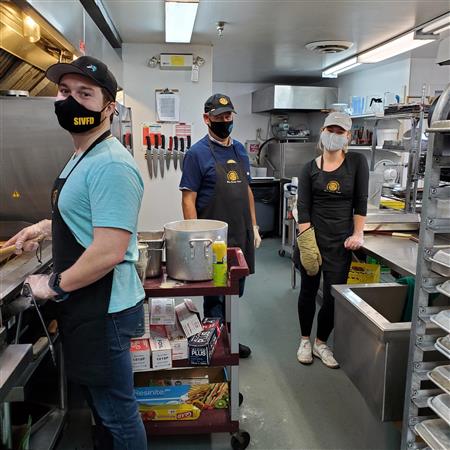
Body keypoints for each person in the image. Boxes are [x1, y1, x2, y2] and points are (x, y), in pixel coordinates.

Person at [3, 56, 147, 450]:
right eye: (65, 92)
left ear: (109, 107)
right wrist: (42, 228)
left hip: (106, 311)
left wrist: (51, 285)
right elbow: (84, 217)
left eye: (85, 94)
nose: (71, 101)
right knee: (103, 410)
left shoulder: (112, 164)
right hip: (88, 305)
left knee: (118, 415)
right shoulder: (82, 154)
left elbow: (109, 251)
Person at [179, 93, 261, 358]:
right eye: (219, 116)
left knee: (235, 292)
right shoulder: (196, 153)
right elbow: (188, 198)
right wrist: (194, 237)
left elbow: (246, 189)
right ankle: (214, 347)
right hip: (213, 241)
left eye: (228, 115)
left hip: (241, 234)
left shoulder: (239, 150)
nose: (225, 121)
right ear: (207, 119)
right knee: (215, 295)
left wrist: (254, 226)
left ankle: (229, 338)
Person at [295, 112, 369, 368]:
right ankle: (305, 340)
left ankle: (321, 343)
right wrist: (307, 245)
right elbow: (303, 208)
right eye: (330, 130)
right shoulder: (309, 168)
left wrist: (358, 234)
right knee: (307, 291)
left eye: (340, 132)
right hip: (313, 239)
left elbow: (360, 201)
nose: (334, 135)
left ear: (348, 136)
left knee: (332, 296)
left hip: (340, 242)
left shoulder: (357, 163)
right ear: (322, 132)